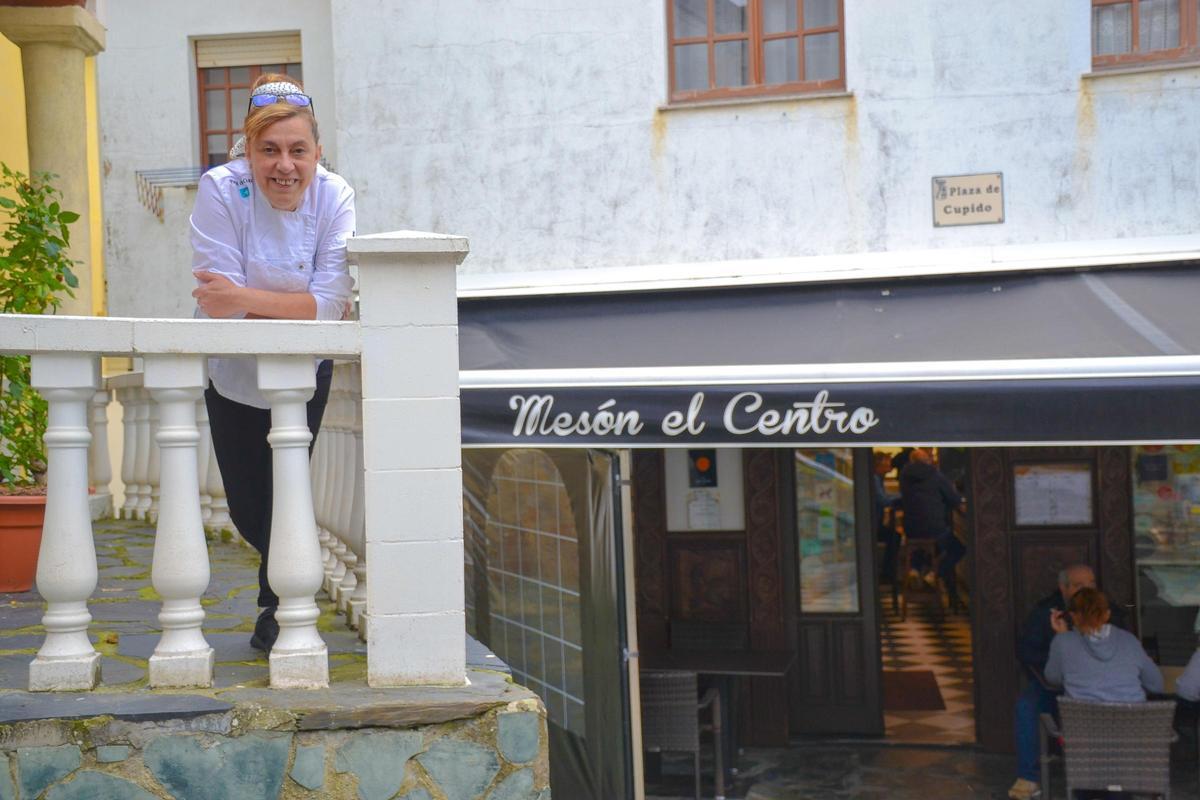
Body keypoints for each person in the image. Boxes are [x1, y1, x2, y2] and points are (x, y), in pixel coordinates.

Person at [190, 73, 354, 652]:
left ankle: (277, 608)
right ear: (250, 151)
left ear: (316, 153)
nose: (284, 165)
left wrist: (244, 299)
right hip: (232, 374)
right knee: (246, 506)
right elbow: (218, 309)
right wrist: (293, 307)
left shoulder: (335, 195)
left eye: (297, 150)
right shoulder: (219, 188)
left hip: (304, 371)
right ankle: (281, 588)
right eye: (270, 150)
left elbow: (330, 308)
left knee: (290, 490)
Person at [1008, 564, 1127, 800]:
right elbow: (1027, 652)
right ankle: (1029, 777)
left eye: (1091, 583)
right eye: (1079, 585)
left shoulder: (1109, 611)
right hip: (1055, 687)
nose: (1087, 589)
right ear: (1063, 588)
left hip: (1100, 690)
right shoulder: (1046, 613)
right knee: (1026, 706)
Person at [1044, 587, 1161, 701]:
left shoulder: (1063, 642)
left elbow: (1053, 678)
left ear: (1073, 615)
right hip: (1130, 718)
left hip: (1082, 719)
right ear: (1107, 614)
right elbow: (1156, 685)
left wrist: (1062, 636)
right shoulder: (1130, 641)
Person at [898, 448, 965, 605]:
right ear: (928, 460)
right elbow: (954, 499)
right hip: (935, 528)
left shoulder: (904, 476)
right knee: (957, 548)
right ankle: (934, 573)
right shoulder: (935, 475)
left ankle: (915, 569)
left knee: (920, 544)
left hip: (911, 529)